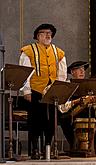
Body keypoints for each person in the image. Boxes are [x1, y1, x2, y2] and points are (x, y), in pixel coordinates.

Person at [19, 23, 67, 159]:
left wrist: (60, 89)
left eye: (50, 33)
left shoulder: (58, 52)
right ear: (38, 36)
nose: (48, 35)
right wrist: (26, 90)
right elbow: (25, 72)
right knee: (35, 120)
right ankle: (35, 149)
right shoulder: (29, 50)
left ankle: (48, 147)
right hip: (35, 90)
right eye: (45, 33)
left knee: (51, 120)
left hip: (52, 91)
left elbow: (62, 73)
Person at [58, 61, 96, 157]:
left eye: (83, 70)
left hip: (87, 111)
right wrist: (77, 101)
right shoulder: (67, 85)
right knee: (63, 119)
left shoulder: (89, 85)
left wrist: (94, 101)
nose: (82, 72)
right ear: (72, 72)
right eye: (79, 69)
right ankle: (74, 145)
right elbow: (62, 108)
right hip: (72, 112)